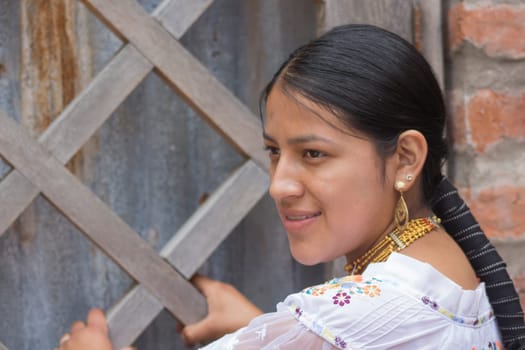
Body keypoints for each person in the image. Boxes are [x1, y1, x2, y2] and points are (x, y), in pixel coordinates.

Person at [56, 24, 525, 350]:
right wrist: (271, 329)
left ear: (405, 158)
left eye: (313, 154)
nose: (279, 185)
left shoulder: (361, 313)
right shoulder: (454, 275)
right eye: (274, 152)